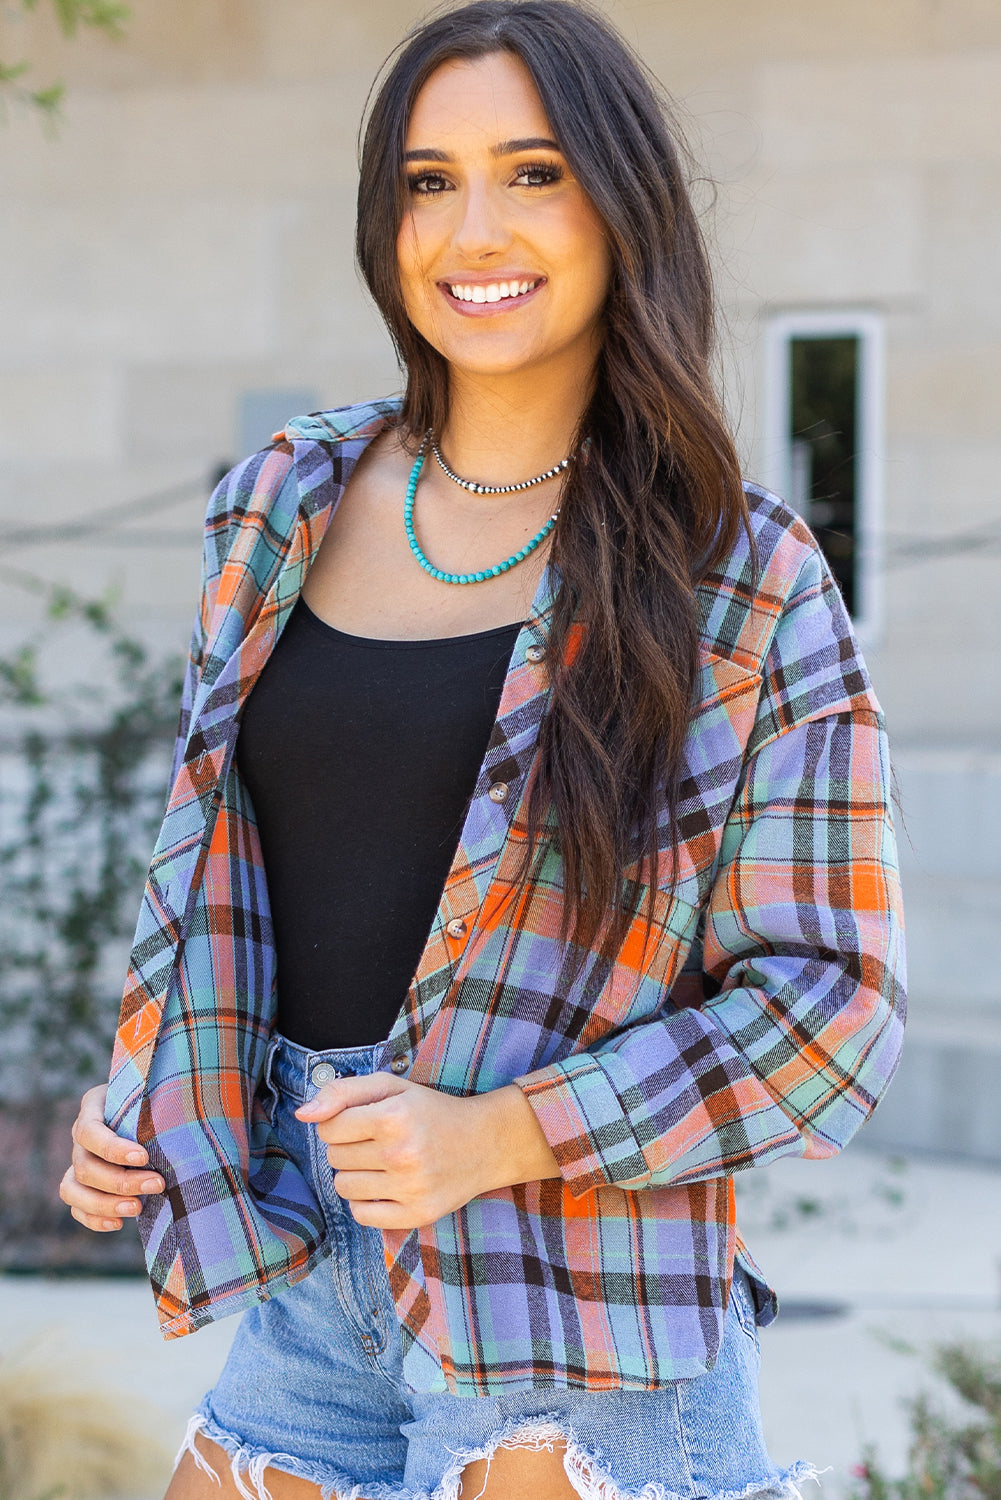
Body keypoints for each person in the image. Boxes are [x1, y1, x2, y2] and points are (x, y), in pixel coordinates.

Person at [59, 3, 906, 1497]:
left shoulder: (743, 575)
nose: (471, 229)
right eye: (427, 180)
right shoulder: (280, 502)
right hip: (309, 1274)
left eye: (531, 172)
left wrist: (505, 1132)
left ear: (618, 204)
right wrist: (147, 1094)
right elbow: (223, 872)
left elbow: (831, 1012)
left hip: (579, 1307)